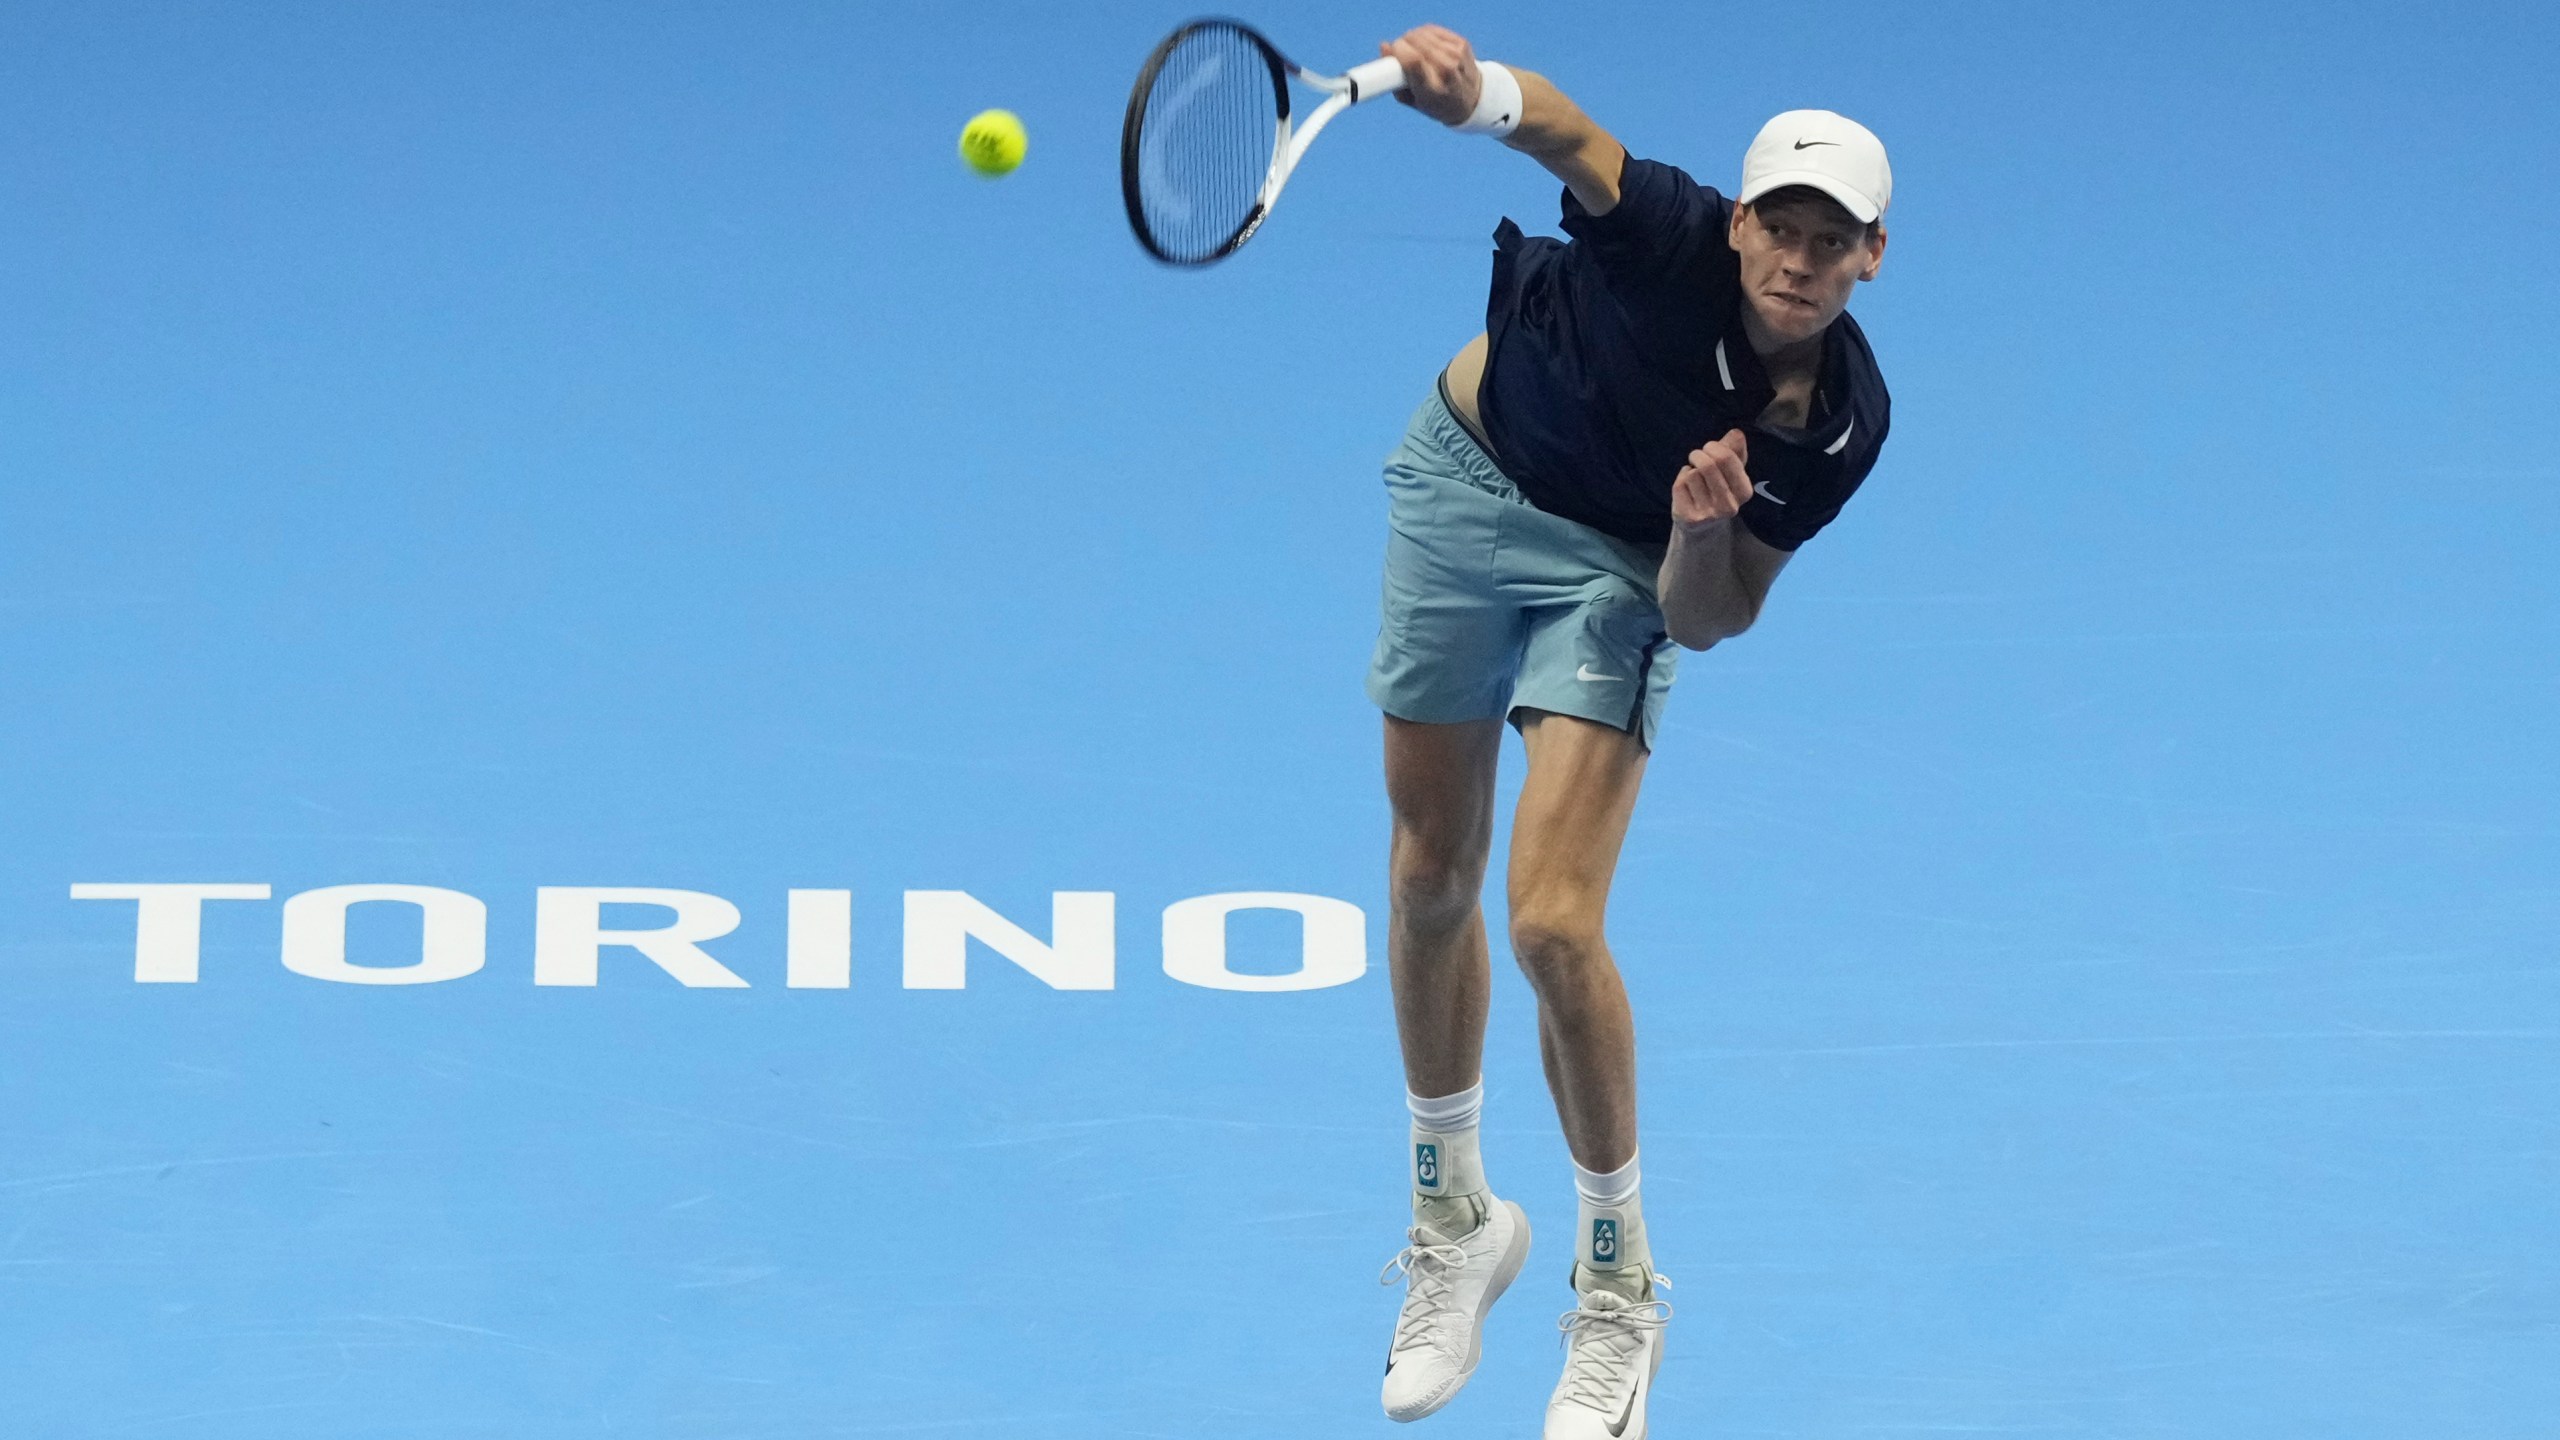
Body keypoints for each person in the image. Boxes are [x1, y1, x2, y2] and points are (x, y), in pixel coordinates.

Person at [1362, 24, 1893, 1439]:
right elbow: (1566, 134)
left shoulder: (1834, 426)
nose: (1796, 255)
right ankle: (1455, 1219)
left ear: (1871, 257)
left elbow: (1711, 619)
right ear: (1738, 224)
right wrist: (1468, 92)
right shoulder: (1663, 234)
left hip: (1622, 569)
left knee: (1551, 924)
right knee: (1427, 876)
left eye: (1828, 238)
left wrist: (1696, 533)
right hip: (1466, 481)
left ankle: (1618, 1291)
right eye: (1778, 224)